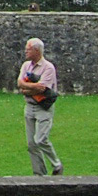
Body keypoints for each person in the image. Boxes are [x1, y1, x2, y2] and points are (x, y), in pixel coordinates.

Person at [17, 38, 64, 176]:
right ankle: (39, 174)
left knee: (40, 139)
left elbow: (42, 89)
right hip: (29, 106)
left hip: (43, 107)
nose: (25, 51)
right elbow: (20, 83)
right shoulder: (26, 65)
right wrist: (32, 87)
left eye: (28, 49)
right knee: (32, 144)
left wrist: (27, 88)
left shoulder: (48, 67)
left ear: (36, 50)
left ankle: (57, 164)